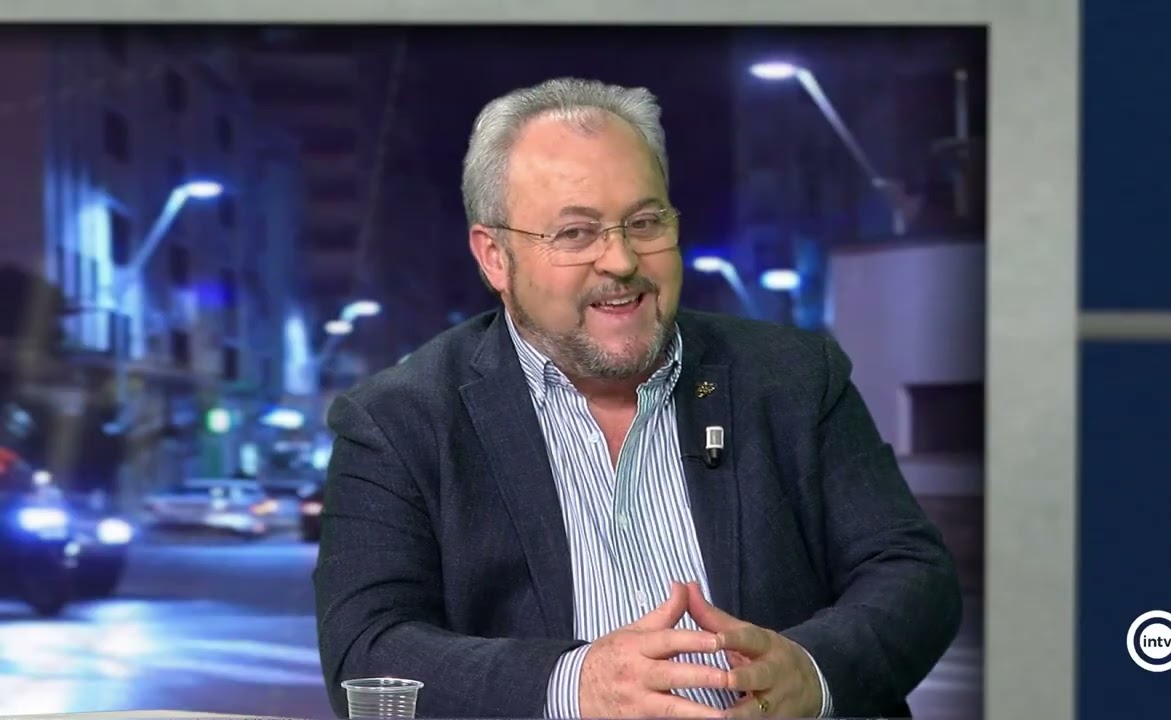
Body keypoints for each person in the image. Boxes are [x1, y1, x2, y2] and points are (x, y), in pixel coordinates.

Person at [313, 77, 962, 719]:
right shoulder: (399, 421)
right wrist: (573, 686)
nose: (621, 261)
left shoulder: (792, 378)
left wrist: (813, 672)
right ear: (495, 257)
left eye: (645, 222)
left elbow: (911, 572)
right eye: (576, 233)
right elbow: (367, 651)